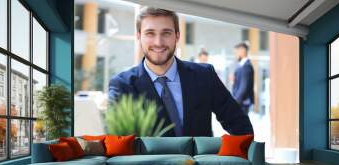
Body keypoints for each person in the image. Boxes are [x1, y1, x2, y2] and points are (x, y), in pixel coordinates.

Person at [108, 7, 253, 137]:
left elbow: (240, 125)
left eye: (166, 33)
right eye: (150, 33)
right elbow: (117, 142)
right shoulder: (122, 85)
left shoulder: (204, 75)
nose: (158, 42)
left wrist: (230, 159)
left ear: (177, 35)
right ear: (139, 36)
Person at [232, 42, 254, 114]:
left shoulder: (246, 66)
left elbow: (243, 87)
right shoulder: (241, 65)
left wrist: (235, 101)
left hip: (242, 102)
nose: (235, 55)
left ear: (242, 51)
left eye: (236, 52)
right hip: (241, 102)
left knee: (241, 124)